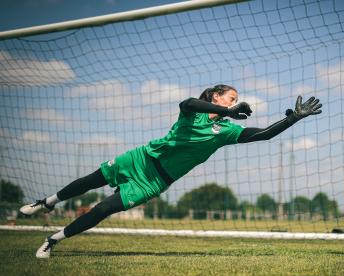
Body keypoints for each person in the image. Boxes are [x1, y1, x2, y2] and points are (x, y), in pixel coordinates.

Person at [20, 84, 323, 258]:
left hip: (156, 180)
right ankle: (47, 201)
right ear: (215, 98)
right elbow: (186, 101)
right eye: (230, 96)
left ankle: (53, 239)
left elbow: (263, 134)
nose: (235, 100)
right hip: (141, 158)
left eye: (234, 100)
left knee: (103, 209)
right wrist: (227, 110)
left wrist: (293, 118)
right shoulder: (194, 111)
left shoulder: (227, 131)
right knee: (90, 180)